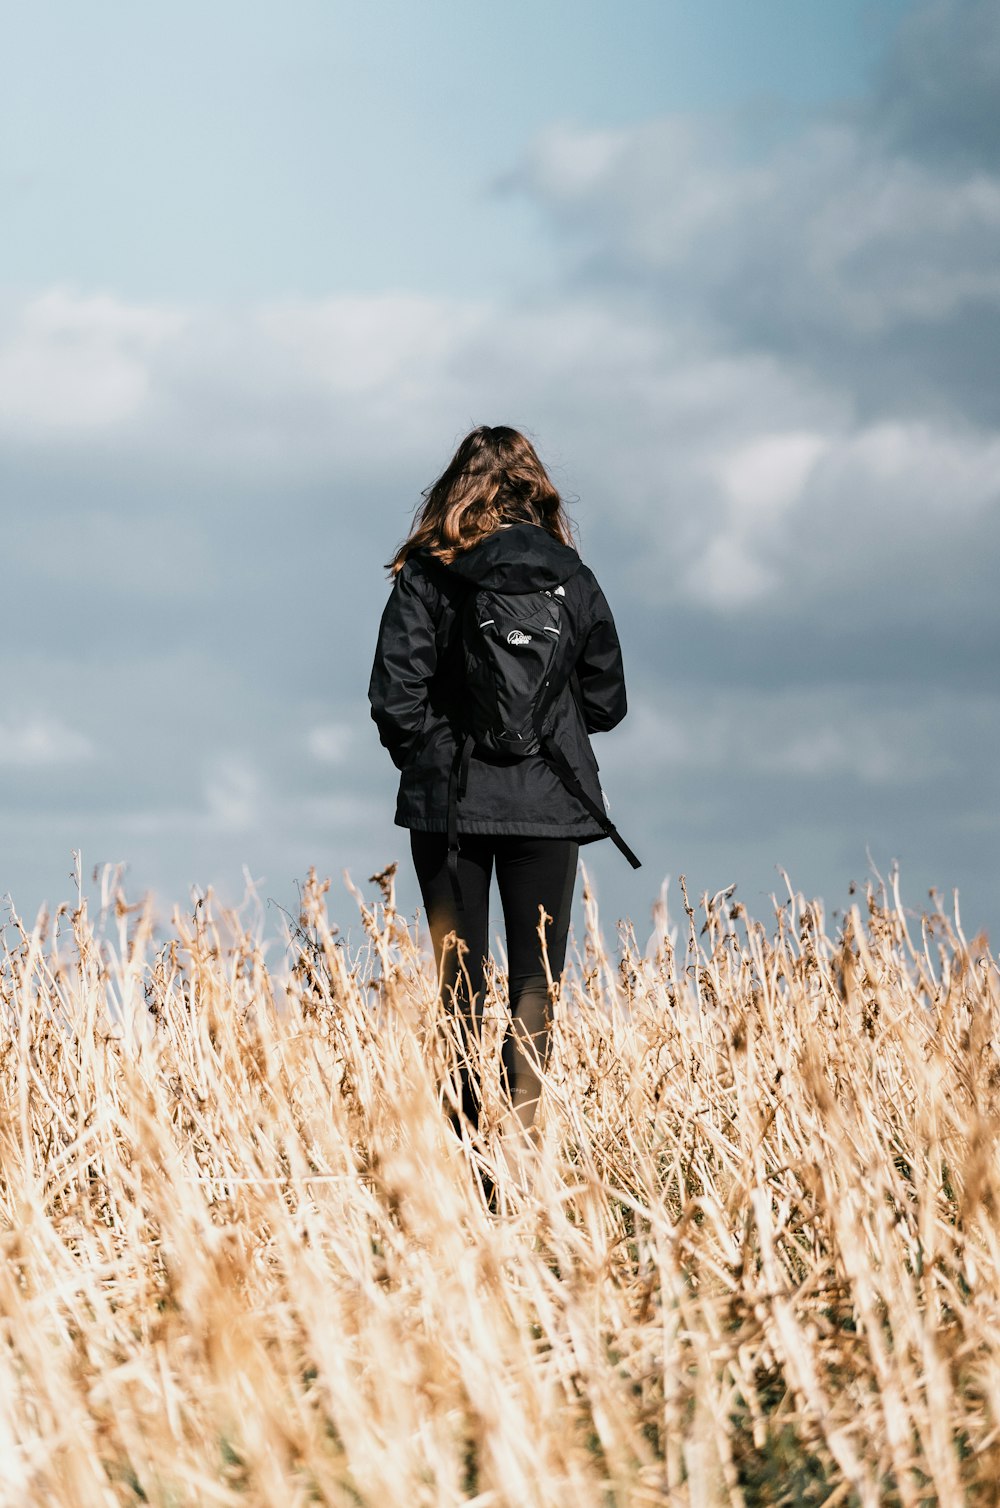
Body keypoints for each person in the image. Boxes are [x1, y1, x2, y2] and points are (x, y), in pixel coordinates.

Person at [368, 424, 633, 1147]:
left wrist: (427, 760)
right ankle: (516, 1148)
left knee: (460, 984)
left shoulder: (429, 572)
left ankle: (462, 1150)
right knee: (534, 983)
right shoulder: (572, 577)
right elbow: (607, 701)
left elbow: (395, 696)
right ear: (537, 489)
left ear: (455, 486)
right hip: (547, 806)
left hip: (448, 809)